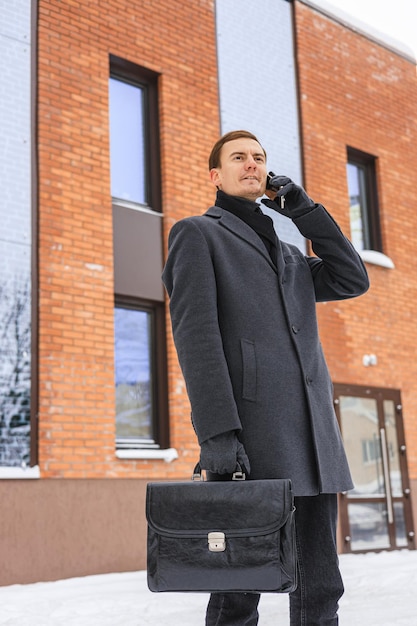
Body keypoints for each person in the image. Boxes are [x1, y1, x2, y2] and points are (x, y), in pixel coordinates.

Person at [162, 130, 369, 626]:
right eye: (238, 157)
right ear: (216, 174)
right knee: (238, 590)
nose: (251, 163)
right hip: (250, 440)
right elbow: (197, 340)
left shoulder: (292, 256)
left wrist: (300, 208)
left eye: (259, 157)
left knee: (321, 589)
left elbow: (352, 277)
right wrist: (217, 435)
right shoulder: (197, 234)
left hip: (314, 441)